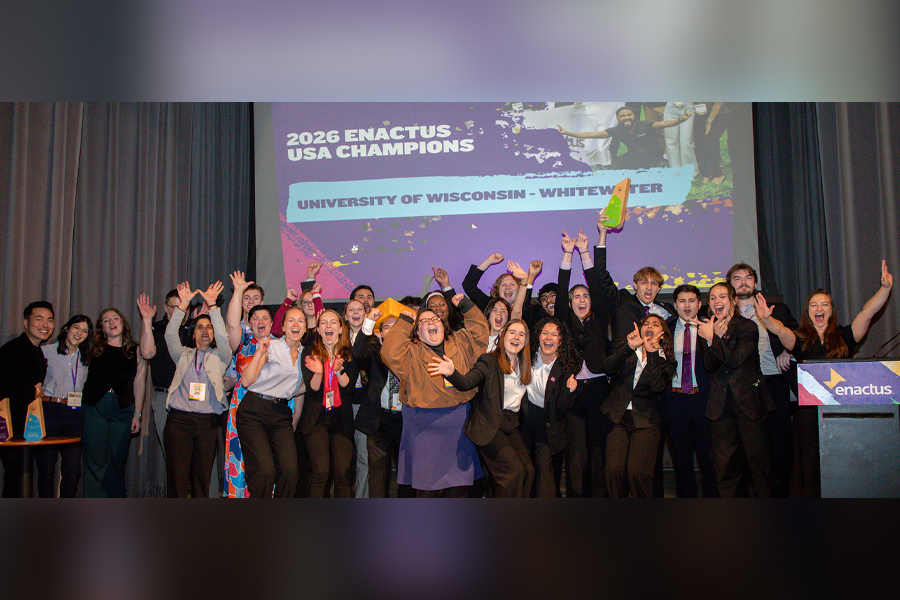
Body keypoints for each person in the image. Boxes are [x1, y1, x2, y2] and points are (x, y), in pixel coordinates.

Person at [755, 260, 893, 497]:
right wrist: (767, 320)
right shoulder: (800, 339)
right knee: (808, 469)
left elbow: (867, 313)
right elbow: (781, 331)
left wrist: (885, 289)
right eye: (814, 305)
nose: (819, 308)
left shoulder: (845, 336)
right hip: (808, 416)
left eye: (824, 305)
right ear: (808, 311)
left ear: (831, 310)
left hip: (841, 412)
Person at [380, 293, 489, 497]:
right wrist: (404, 321)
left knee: (458, 491)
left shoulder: (461, 341)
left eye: (435, 319)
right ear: (418, 332)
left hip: (458, 429)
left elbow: (481, 333)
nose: (431, 323)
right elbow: (389, 352)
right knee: (426, 493)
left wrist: (467, 305)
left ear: (443, 324)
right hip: (423, 429)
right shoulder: (410, 352)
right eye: (424, 321)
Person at [429, 319, 536, 497]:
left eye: (521, 334)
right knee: (513, 472)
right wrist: (452, 372)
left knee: (528, 471)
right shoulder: (489, 360)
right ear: (502, 335)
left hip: (510, 424)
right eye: (512, 332)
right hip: (489, 424)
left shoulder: (525, 365)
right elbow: (467, 382)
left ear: (525, 341)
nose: (516, 337)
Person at [691, 282, 774, 498]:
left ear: (733, 301)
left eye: (722, 297)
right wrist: (710, 337)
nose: (717, 301)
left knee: (760, 464)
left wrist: (713, 339)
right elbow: (710, 365)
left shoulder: (747, 326)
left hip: (749, 402)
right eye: (713, 298)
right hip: (721, 405)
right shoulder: (707, 328)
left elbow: (735, 360)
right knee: (726, 467)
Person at [728, 262, 798, 498]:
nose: (743, 282)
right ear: (730, 285)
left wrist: (788, 352)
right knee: (751, 450)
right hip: (744, 389)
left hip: (775, 382)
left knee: (780, 446)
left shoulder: (777, 310)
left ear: (755, 283)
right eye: (737, 278)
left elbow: (799, 339)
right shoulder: (724, 313)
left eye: (748, 277)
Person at [556, 230, 612, 498]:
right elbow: (560, 289)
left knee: (599, 450)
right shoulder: (564, 323)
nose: (581, 300)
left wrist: (585, 252)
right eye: (576, 296)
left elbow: (597, 286)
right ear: (570, 303)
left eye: (585, 296)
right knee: (576, 453)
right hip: (574, 392)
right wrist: (568, 253)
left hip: (600, 389)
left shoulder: (600, 319)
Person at [163, 281, 232, 498]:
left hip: (207, 424)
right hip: (179, 421)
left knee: (202, 479)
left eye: (209, 327)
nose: (205, 331)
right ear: (193, 334)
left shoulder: (221, 357)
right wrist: (182, 305)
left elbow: (223, 337)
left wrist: (213, 306)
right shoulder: (182, 354)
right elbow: (170, 335)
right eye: (200, 327)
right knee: (177, 478)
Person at [601, 316, 677, 498]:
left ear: (663, 333)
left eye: (655, 324)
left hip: (646, 421)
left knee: (637, 473)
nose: (650, 327)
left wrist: (652, 353)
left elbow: (657, 386)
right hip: (619, 417)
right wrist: (628, 347)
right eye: (646, 324)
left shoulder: (666, 361)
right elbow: (608, 367)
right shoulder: (628, 351)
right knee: (613, 470)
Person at [81, 301, 150, 497]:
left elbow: (139, 383)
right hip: (94, 409)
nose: (111, 322)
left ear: (123, 323)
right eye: (106, 320)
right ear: (101, 328)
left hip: (123, 411)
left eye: (115, 318)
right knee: (94, 462)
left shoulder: (135, 350)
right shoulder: (93, 348)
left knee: (116, 462)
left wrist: (137, 414)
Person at [236, 306, 307, 497]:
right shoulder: (271, 346)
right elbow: (246, 381)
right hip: (254, 410)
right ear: (283, 326)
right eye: (291, 320)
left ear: (306, 328)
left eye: (300, 321)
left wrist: (297, 414)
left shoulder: (306, 355)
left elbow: (301, 388)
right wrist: (259, 353)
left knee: (290, 470)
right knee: (265, 471)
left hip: (281, 414)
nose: (295, 324)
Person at [300, 309, 360, 498]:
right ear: (317, 329)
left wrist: (339, 370)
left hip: (341, 420)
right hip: (317, 420)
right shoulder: (310, 352)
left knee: (342, 473)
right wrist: (320, 371)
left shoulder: (350, 354)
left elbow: (349, 388)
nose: (328, 326)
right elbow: (312, 389)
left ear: (341, 328)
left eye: (333, 322)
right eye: (324, 322)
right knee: (320, 473)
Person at [665, 285, 718, 498]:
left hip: (703, 399)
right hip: (675, 400)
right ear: (675, 304)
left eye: (692, 301)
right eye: (682, 301)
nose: (687, 305)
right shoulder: (665, 328)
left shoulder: (710, 327)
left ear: (700, 304)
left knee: (709, 459)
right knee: (681, 459)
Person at [0, 301, 55, 497]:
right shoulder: (12, 349)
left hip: (26, 424)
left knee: (20, 477)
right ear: (25, 322)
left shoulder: (37, 351)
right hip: (7, 425)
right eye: (39, 319)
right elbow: (5, 385)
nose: (45, 325)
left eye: (49, 320)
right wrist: (34, 393)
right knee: (16, 476)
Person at [521, 317, 580, 497]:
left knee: (543, 470)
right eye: (545, 333)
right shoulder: (525, 356)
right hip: (523, 423)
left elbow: (562, 408)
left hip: (547, 428)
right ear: (538, 336)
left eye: (555, 335)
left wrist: (570, 391)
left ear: (560, 341)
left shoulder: (564, 368)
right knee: (524, 470)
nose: (549, 337)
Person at [353, 307, 408, 498]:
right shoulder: (373, 352)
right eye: (387, 327)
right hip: (379, 421)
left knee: (406, 475)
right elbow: (357, 352)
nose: (392, 330)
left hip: (406, 420)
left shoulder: (412, 353)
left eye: (396, 326)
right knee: (377, 476)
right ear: (380, 333)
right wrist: (368, 322)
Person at [36, 314, 92, 498]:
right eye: (76, 327)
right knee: (46, 469)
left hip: (74, 413)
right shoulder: (45, 351)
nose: (79, 333)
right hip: (49, 410)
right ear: (66, 328)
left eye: (85, 331)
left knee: (72, 470)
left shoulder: (86, 357)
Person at [557, 105, 694, 169]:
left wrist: (680, 119)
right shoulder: (617, 130)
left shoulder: (645, 125)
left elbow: (664, 123)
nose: (626, 118)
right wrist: (568, 132)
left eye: (629, 115)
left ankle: (650, 169)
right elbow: (591, 134)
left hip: (652, 152)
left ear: (634, 116)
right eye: (622, 116)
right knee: (617, 166)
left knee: (640, 158)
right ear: (618, 118)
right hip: (635, 154)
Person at [345, 296, 371, 498]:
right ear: (345, 315)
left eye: (360, 309)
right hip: (341, 406)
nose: (355, 312)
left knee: (364, 457)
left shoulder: (374, 339)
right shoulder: (337, 339)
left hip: (365, 406)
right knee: (343, 460)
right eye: (351, 309)